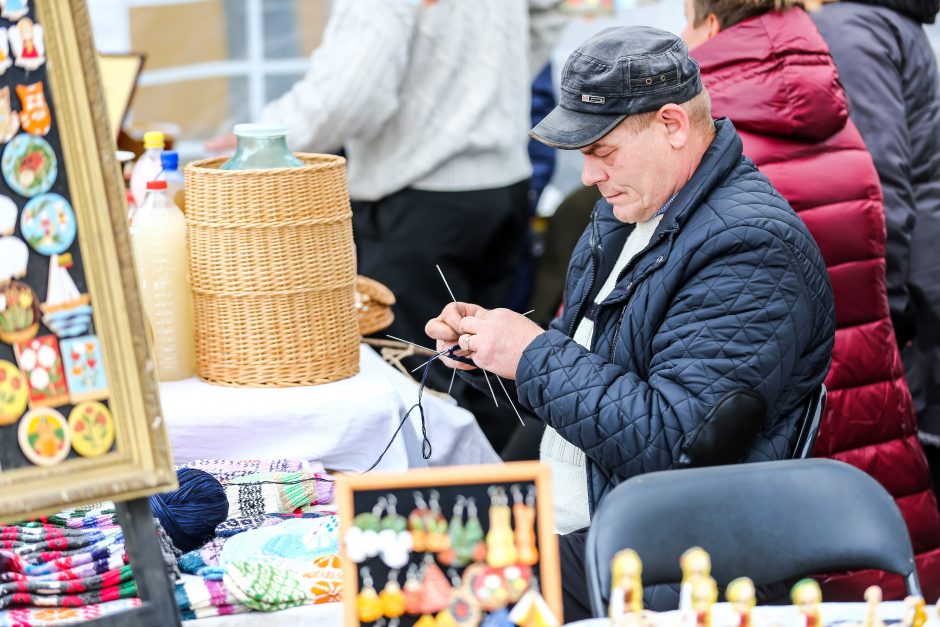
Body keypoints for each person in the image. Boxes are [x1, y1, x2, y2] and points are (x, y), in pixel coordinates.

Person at [426, 26, 835, 617]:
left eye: (603, 151)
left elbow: (678, 446)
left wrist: (534, 354)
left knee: (428, 592)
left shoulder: (751, 247)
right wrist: (488, 348)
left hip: (673, 555)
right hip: (590, 521)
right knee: (396, 560)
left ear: (672, 125)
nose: (588, 173)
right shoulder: (630, 210)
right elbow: (588, 367)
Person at [212, 0, 568, 452]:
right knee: (481, 372)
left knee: (425, 382)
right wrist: (485, 85)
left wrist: (268, 144)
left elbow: (351, 93)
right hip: (498, 186)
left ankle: (458, 508)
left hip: (421, 195)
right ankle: (501, 500)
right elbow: (549, 9)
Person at [682, 0, 940, 599]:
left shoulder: (713, 123)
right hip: (865, 361)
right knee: (878, 563)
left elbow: (890, 205)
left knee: (805, 573)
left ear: (712, 26)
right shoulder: (822, 68)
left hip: (802, 384)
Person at [810, 0, 940, 525]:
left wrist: (890, 310)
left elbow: (879, 182)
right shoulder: (883, 22)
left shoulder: (850, 27)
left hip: (908, 297)